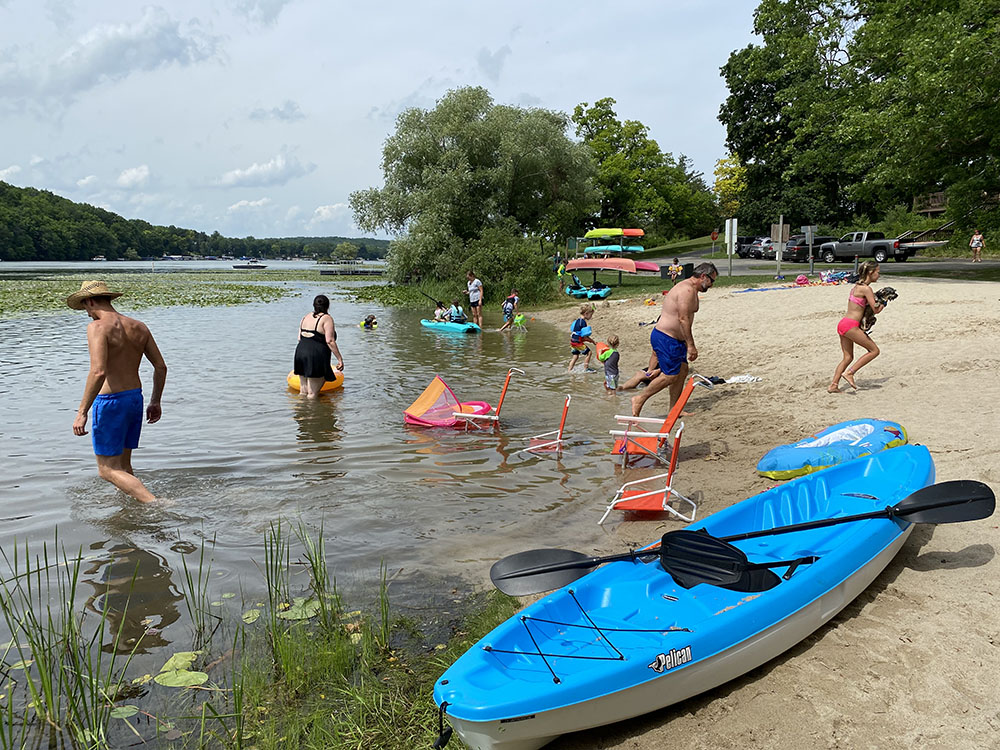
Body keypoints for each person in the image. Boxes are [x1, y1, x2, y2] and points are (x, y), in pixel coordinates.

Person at [68, 280, 167, 504]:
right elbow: (161, 367)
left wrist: (82, 411)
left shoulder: (97, 327)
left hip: (111, 402)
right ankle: (129, 511)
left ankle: (156, 504)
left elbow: (98, 371)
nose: (87, 313)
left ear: (90, 301)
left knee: (106, 470)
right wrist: (155, 401)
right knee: (123, 466)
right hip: (134, 399)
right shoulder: (139, 326)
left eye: (85, 308)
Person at [630, 262, 718, 417]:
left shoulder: (691, 289)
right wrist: (691, 345)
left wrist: (685, 342)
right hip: (666, 337)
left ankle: (674, 409)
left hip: (676, 340)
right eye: (712, 280)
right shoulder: (687, 290)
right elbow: (683, 318)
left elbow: (685, 319)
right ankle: (639, 398)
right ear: (703, 276)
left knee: (683, 370)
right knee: (670, 375)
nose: (711, 285)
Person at [829, 261, 885, 393]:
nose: (879, 274)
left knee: (848, 357)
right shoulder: (866, 289)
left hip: (843, 324)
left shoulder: (856, 287)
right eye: (877, 271)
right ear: (870, 273)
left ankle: (833, 385)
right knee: (874, 351)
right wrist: (884, 302)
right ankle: (850, 373)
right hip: (851, 326)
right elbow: (876, 310)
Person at [293, 294, 344, 398]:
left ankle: (300, 413)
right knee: (312, 394)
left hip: (300, 353)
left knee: (303, 391)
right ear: (327, 306)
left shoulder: (305, 317)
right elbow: (329, 340)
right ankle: (314, 414)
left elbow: (299, 338)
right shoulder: (326, 318)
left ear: (314, 305)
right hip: (315, 355)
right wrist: (340, 359)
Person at [567, 304, 596, 372]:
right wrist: (593, 341)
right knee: (589, 353)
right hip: (578, 342)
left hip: (572, 342)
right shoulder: (583, 322)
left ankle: (569, 370)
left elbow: (577, 333)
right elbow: (584, 337)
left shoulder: (577, 321)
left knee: (575, 356)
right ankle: (586, 368)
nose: (591, 317)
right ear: (586, 314)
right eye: (591, 315)